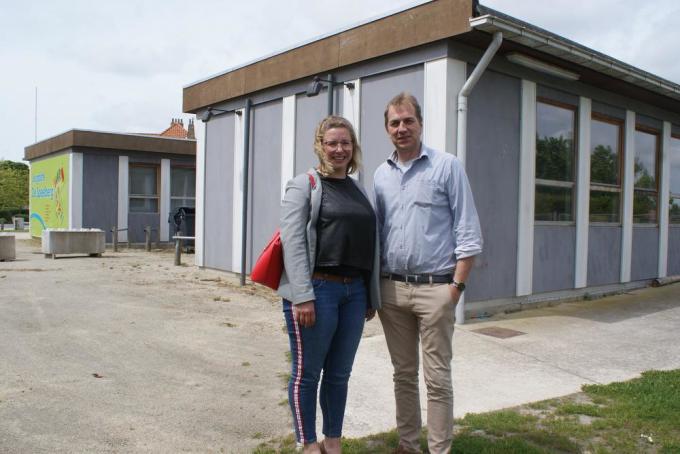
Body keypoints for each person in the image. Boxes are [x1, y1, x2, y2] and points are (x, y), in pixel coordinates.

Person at [373, 93, 483, 454]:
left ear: (420, 124)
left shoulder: (446, 166)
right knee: (403, 375)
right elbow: (377, 233)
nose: (401, 128)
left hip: (436, 289)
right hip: (392, 290)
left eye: (408, 121)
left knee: (437, 379)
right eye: (394, 123)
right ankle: (408, 444)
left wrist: (456, 287)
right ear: (387, 129)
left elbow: (468, 230)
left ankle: (439, 449)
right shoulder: (380, 175)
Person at [277, 115, 381, 454]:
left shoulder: (357, 188)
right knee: (307, 374)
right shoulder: (303, 185)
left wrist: (369, 295)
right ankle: (308, 444)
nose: (339, 149)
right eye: (332, 143)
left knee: (339, 374)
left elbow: (366, 242)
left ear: (354, 147)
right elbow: (293, 243)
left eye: (345, 143)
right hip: (317, 291)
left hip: (354, 293)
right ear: (320, 146)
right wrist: (302, 296)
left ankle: (332, 442)